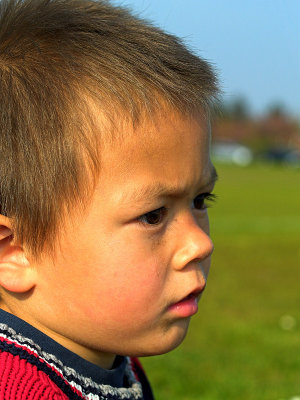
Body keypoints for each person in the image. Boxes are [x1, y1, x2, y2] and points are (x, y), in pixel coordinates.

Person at [0, 0, 219, 398]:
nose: (201, 244)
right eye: (153, 215)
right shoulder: (21, 388)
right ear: (14, 251)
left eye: (201, 199)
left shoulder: (111, 359)